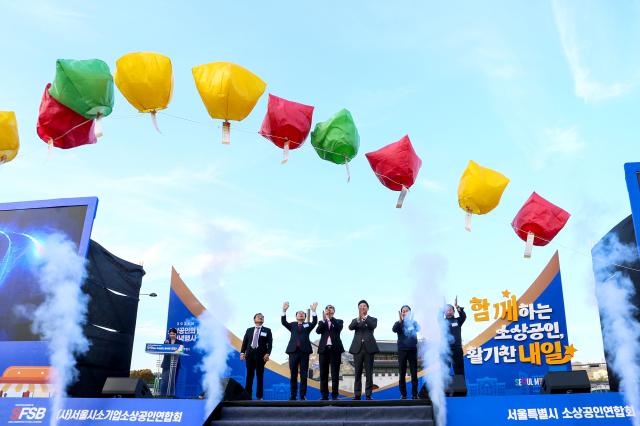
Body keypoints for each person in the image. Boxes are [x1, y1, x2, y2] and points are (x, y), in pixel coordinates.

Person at [282, 301, 318, 400]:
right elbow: (284, 322)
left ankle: (302, 395)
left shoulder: (308, 325)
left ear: (305, 317)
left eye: (303, 314)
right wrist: (284, 311)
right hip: (293, 351)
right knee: (293, 374)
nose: (301, 314)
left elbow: (314, 322)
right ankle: (293, 395)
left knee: (303, 374)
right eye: (299, 313)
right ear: (296, 316)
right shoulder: (292, 325)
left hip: (304, 352)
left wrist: (314, 311)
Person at [348, 300, 379, 400]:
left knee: (369, 373)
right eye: (360, 306)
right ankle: (357, 395)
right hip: (358, 349)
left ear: (367, 308)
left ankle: (368, 395)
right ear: (358, 308)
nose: (362, 307)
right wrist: (358, 319)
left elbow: (372, 326)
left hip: (369, 349)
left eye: (364, 306)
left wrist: (364, 318)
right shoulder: (355, 320)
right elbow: (350, 327)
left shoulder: (372, 319)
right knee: (357, 373)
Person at [240, 313, 273, 400]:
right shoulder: (249, 330)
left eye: (262, 317)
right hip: (249, 355)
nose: (261, 318)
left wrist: (268, 353)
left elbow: (270, 344)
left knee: (259, 376)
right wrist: (242, 352)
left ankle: (259, 396)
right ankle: (247, 396)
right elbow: (245, 342)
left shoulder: (267, 330)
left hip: (261, 356)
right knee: (249, 376)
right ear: (254, 319)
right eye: (259, 317)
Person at [316, 304, 344, 400]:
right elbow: (318, 331)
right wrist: (325, 320)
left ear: (333, 311)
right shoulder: (322, 322)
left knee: (335, 374)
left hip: (335, 350)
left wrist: (329, 319)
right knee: (323, 373)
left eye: (330, 308)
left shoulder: (339, 321)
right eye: (327, 308)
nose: (328, 309)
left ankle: (335, 395)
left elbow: (338, 328)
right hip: (324, 350)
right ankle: (324, 395)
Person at [392, 305, 420, 399]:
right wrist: (400, 321)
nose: (405, 313)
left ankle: (415, 394)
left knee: (414, 373)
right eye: (403, 311)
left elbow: (419, 329)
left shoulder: (414, 322)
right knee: (402, 372)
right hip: (402, 350)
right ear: (401, 313)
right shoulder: (399, 323)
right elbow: (394, 329)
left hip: (412, 350)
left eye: (407, 311)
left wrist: (412, 322)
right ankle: (403, 394)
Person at [445, 297, 466, 376]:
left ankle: (461, 388)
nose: (448, 311)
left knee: (459, 372)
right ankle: (444, 388)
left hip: (457, 349)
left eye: (450, 310)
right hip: (445, 350)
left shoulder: (458, 320)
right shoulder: (442, 321)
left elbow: (463, 316)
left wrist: (457, 307)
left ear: (453, 311)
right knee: (445, 372)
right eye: (446, 310)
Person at [160, 328, 184, 397]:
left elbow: (180, 351)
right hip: (166, 363)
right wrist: (166, 345)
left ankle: (171, 395)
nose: (172, 335)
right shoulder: (166, 341)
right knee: (164, 380)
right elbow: (163, 350)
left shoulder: (180, 342)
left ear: (176, 334)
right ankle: (162, 395)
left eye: (173, 334)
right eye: (170, 334)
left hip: (175, 363)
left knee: (173, 380)